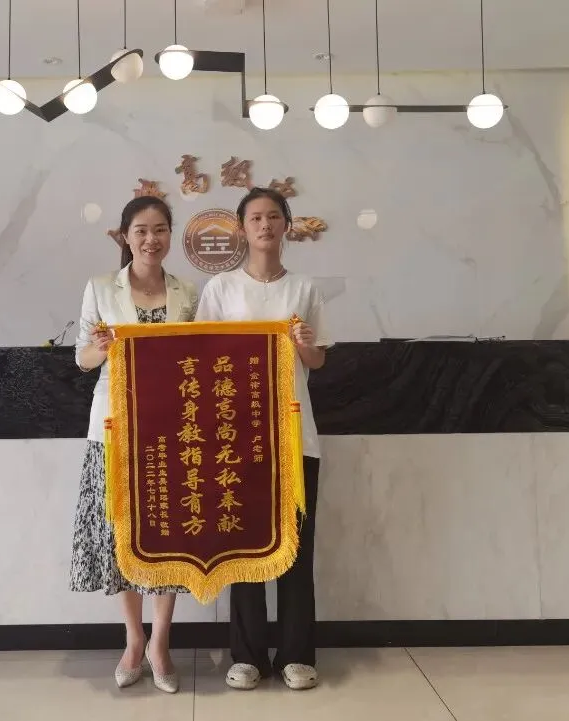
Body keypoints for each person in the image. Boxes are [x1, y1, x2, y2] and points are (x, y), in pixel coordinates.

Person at [194, 187, 330, 692]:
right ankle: (248, 656)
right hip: (237, 437)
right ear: (241, 227)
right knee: (243, 545)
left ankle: (296, 655)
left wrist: (306, 345)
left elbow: (317, 360)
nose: (265, 225)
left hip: (295, 435)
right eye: (255, 217)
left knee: (296, 547)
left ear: (286, 225)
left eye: (274, 216)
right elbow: (202, 358)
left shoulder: (305, 288)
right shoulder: (220, 288)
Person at [70, 196, 199, 694]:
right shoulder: (101, 287)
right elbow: (82, 358)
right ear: (125, 236)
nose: (151, 239)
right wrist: (98, 349)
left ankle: (161, 643)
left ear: (170, 236)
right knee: (119, 533)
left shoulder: (187, 292)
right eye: (141, 230)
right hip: (115, 427)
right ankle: (133, 639)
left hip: (171, 428)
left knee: (170, 535)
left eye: (160, 229)